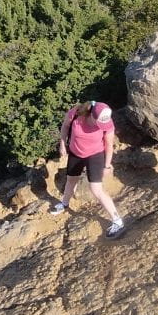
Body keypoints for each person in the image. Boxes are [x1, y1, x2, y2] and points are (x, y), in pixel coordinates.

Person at [50, 100, 125, 238]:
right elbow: (65, 126)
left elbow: (109, 145)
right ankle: (64, 204)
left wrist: (107, 165)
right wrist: (62, 143)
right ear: (91, 115)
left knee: (96, 189)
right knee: (71, 180)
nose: (101, 126)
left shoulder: (107, 124)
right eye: (99, 122)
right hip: (75, 153)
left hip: (95, 155)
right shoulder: (76, 113)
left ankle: (117, 221)